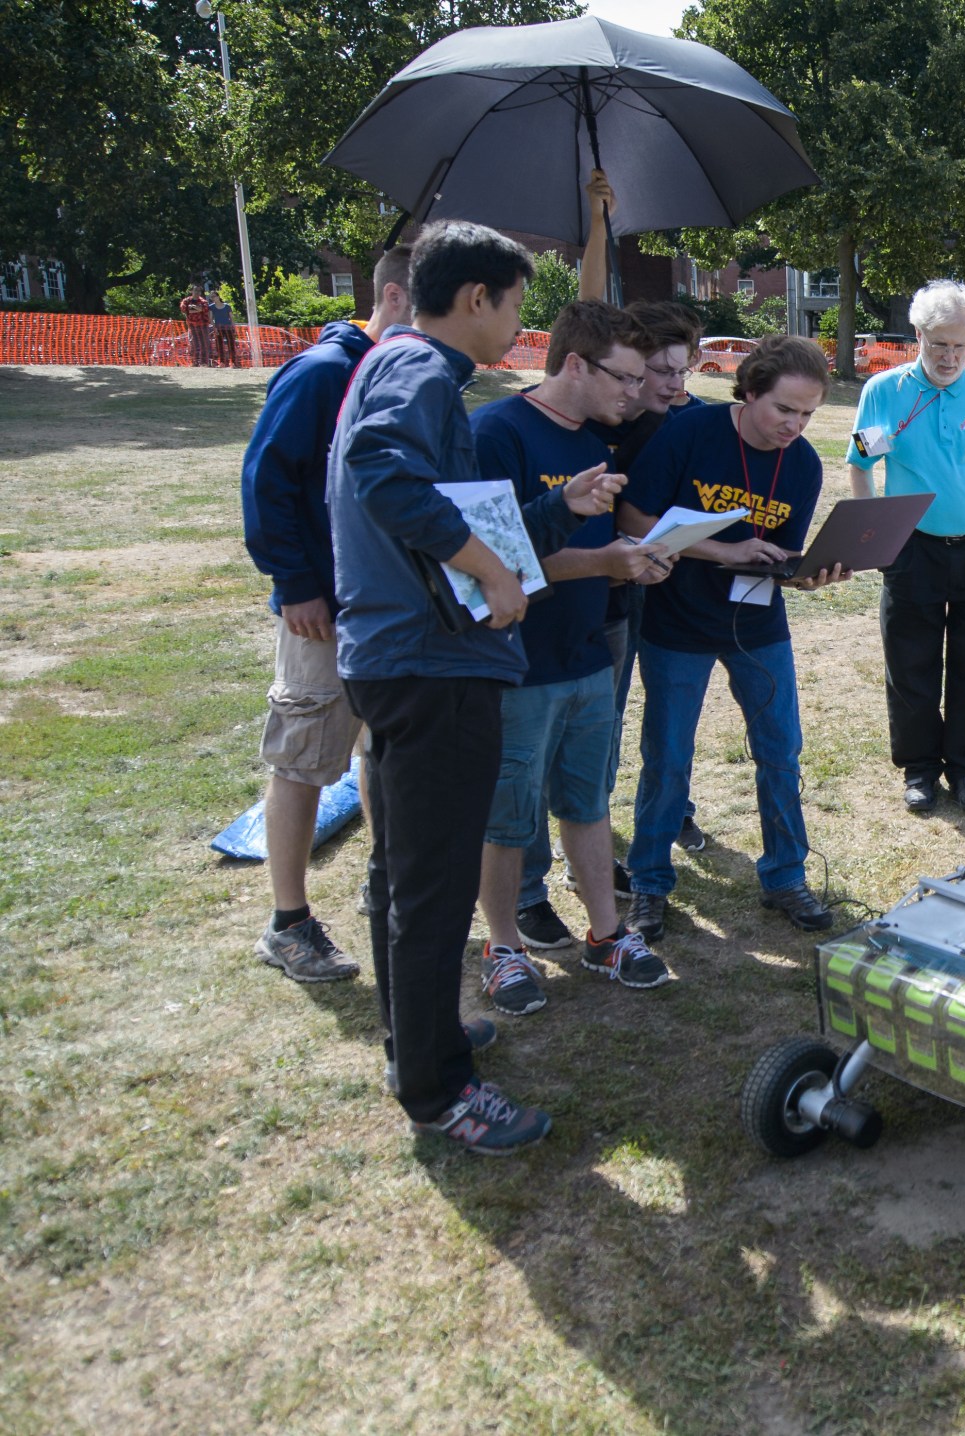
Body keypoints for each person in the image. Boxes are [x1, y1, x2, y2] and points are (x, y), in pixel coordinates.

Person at [329, 219, 621, 1156]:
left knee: (401, 873)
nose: (518, 328)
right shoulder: (419, 373)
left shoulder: (403, 366)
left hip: (402, 660)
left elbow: (457, 510)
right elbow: (383, 473)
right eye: (516, 307)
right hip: (429, 665)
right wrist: (495, 577)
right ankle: (440, 1091)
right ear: (475, 300)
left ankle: (418, 1042)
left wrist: (549, 510)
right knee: (433, 886)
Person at [470, 300, 673, 1013]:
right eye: (624, 377)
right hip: (518, 663)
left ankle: (606, 936)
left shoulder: (599, 437)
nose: (634, 392)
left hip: (589, 652)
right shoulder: (496, 433)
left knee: (587, 803)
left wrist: (633, 563)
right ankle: (503, 948)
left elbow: (595, 544)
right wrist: (601, 564)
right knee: (506, 815)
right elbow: (484, 565)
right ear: (576, 365)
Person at [616, 335, 848, 941]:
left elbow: (780, 553)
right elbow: (635, 522)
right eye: (784, 410)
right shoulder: (690, 432)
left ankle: (785, 877)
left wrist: (807, 572)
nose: (794, 426)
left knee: (780, 749)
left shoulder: (803, 465)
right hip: (677, 622)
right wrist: (726, 550)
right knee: (667, 758)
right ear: (748, 392)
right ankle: (648, 881)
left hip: (757, 623)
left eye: (808, 415)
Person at [241, 246, 413, 984]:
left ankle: (388, 887)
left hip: (388, 606)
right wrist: (297, 583)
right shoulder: (321, 373)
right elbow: (267, 483)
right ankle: (289, 923)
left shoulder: (405, 377)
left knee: (382, 750)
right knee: (307, 751)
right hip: (322, 609)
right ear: (399, 297)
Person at [515, 297, 709, 939]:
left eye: (680, 372)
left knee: (593, 745)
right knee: (529, 760)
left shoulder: (670, 420)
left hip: (612, 609)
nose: (664, 385)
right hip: (543, 616)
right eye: (648, 372)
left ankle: (587, 866)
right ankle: (525, 888)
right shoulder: (582, 423)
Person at [846, 279, 965, 813]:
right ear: (917, 336)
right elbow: (860, 464)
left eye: (960, 345)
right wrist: (874, 534)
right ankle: (920, 769)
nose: (949, 357)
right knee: (911, 662)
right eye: (937, 344)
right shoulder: (885, 392)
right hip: (912, 548)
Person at [180, 284, 214, 367]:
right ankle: (194, 362)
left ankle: (204, 362)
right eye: (195, 290)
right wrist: (196, 308)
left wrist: (193, 308)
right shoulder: (186, 301)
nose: (197, 292)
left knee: (204, 343)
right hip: (192, 325)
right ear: (191, 291)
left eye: (199, 291)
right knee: (194, 343)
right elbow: (184, 309)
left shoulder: (203, 301)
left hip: (203, 325)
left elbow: (204, 309)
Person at [210, 288, 240, 367]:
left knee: (231, 344)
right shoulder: (211, 307)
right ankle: (222, 362)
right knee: (219, 345)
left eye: (214, 296)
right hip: (218, 328)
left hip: (228, 327)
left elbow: (231, 318)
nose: (213, 298)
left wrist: (234, 328)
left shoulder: (227, 306)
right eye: (211, 297)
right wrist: (214, 328)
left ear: (218, 296)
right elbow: (211, 318)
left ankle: (233, 362)